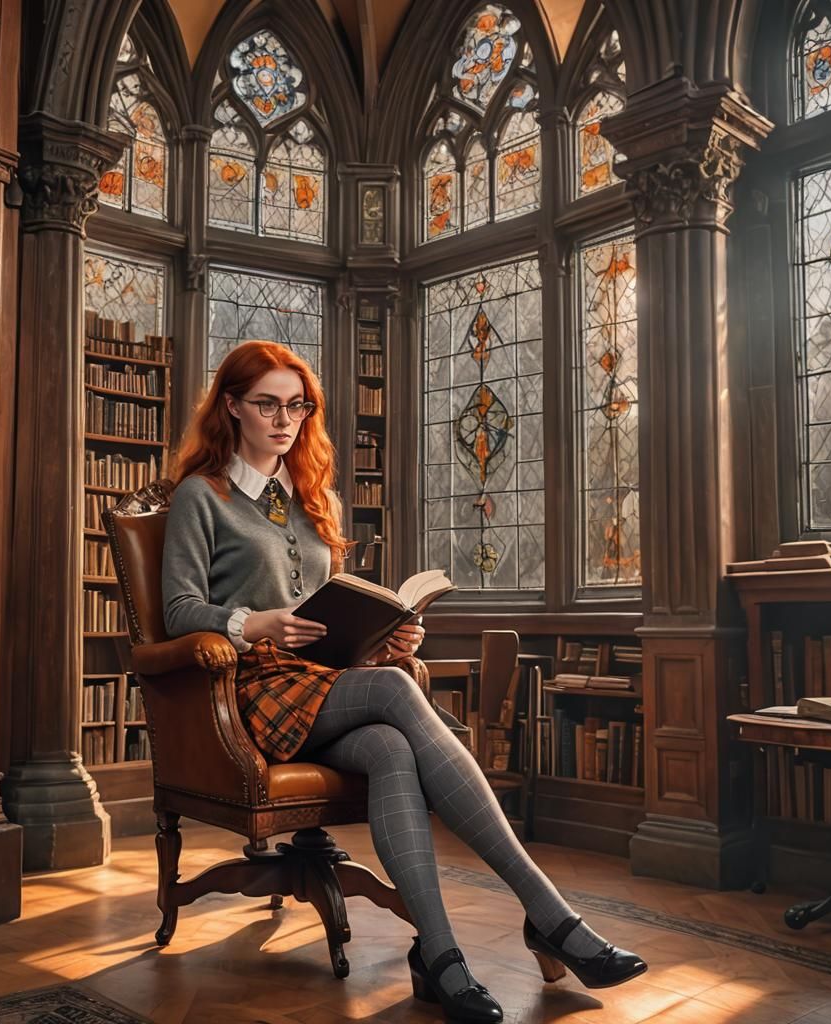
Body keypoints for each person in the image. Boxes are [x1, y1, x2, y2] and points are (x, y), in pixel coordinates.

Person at [161, 340, 646, 1024]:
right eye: (267, 404)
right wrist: (257, 622)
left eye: (297, 405)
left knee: (392, 749)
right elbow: (177, 611)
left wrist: (387, 634)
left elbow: (328, 612)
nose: (284, 419)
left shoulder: (310, 496)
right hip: (253, 689)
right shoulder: (200, 496)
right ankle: (550, 912)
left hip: (325, 682)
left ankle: (438, 956)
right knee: (396, 695)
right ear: (233, 407)